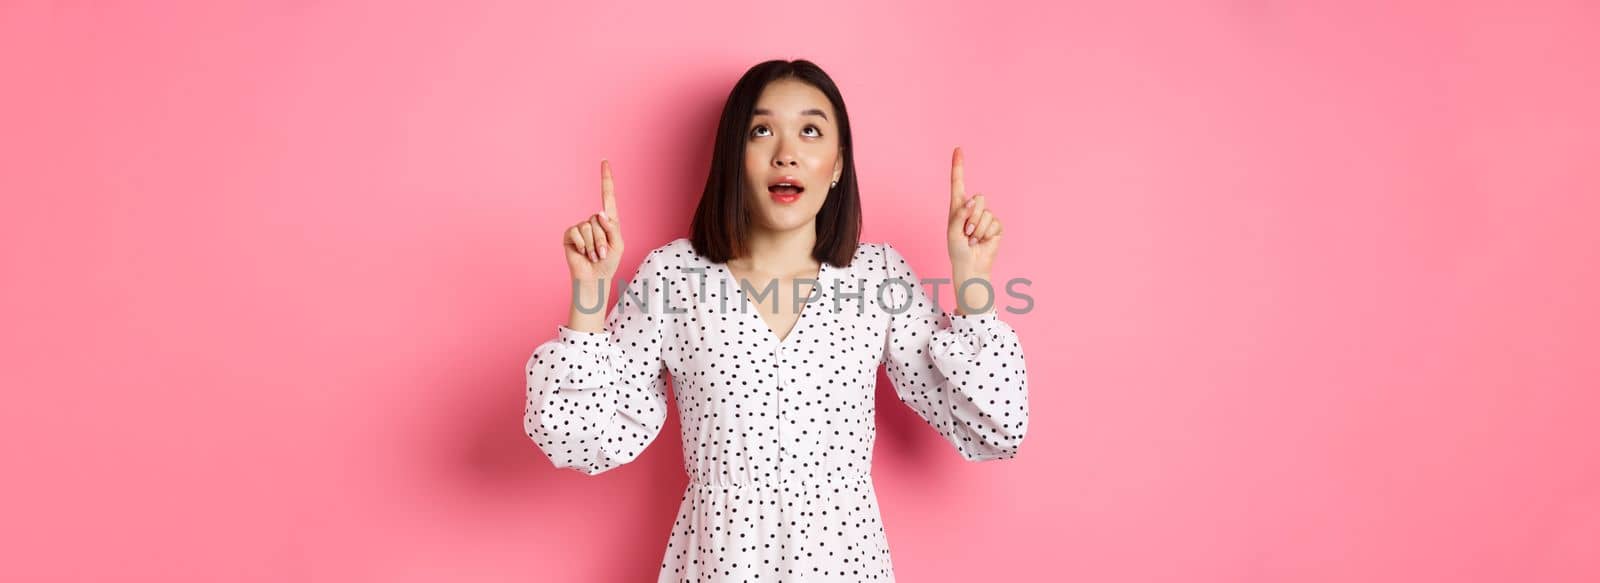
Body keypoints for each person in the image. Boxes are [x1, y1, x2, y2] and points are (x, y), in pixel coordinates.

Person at [523, 58, 1029, 582]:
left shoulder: (877, 277)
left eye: (810, 131)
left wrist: (972, 280)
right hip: (719, 564)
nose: (786, 153)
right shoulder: (672, 276)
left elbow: (995, 427)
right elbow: (575, 437)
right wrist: (589, 294)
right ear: (733, 158)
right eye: (761, 131)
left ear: (836, 165)